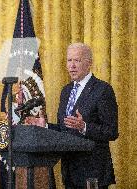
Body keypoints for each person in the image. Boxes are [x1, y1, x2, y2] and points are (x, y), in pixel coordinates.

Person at [48, 43, 118, 189]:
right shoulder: (66, 91)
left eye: (77, 61)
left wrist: (84, 127)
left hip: (93, 172)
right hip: (69, 171)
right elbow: (65, 129)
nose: (71, 66)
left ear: (89, 63)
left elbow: (111, 131)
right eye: (69, 60)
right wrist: (44, 125)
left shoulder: (103, 90)